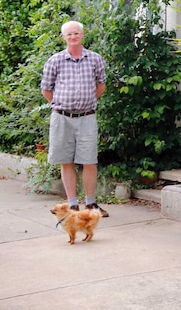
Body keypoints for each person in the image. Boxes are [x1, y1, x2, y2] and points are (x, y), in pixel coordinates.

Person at [40, 20, 109, 217]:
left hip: (87, 117)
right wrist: (62, 103)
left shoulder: (95, 59)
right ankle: (72, 204)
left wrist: (86, 101)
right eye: (69, 34)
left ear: (82, 35)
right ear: (63, 37)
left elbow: (101, 86)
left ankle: (91, 204)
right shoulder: (55, 60)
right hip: (62, 117)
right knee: (66, 160)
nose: (73, 37)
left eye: (76, 33)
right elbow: (46, 89)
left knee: (89, 160)